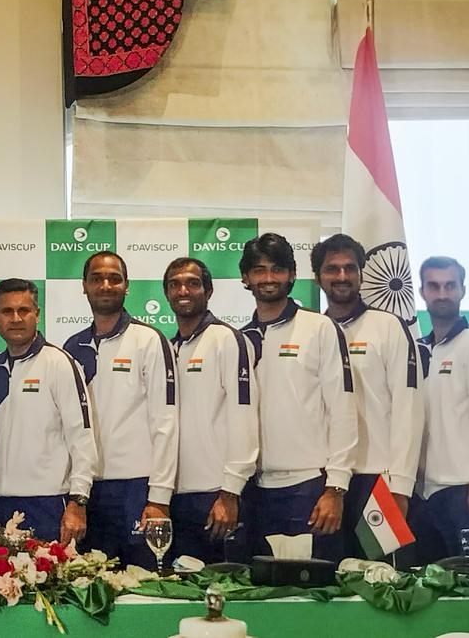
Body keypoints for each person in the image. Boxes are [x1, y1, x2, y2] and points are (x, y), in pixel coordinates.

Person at [238, 233, 356, 562]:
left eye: (277, 269)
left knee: (313, 599)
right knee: (262, 597)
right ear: (245, 278)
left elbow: (342, 409)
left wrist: (335, 488)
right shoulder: (239, 340)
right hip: (255, 492)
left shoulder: (319, 328)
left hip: (309, 489)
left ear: (292, 274)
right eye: (259, 270)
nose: (268, 278)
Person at [0, 279, 96, 544]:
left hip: (52, 504)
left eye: (24, 310)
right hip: (4, 503)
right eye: (7, 311)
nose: (16, 318)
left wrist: (79, 501)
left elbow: (82, 436)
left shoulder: (59, 362)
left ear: (37, 315)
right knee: (6, 585)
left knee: (54, 584)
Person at [62, 252, 177, 568]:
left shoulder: (148, 340)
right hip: (89, 494)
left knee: (146, 589)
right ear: (84, 286)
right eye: (97, 278)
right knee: (92, 590)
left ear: (127, 287)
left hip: (137, 491)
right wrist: (76, 495)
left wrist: (158, 498)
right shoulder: (71, 348)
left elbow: (165, 423)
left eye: (115, 278)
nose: (106, 285)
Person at [311, 235, 423, 559]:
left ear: (361, 274)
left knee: (384, 581)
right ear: (318, 277)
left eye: (350, 268)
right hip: (326, 483)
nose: (342, 276)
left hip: (379, 482)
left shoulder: (388, 327)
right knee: (331, 584)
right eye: (332, 269)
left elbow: (409, 408)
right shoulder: (313, 331)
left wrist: (400, 487)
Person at [162, 257, 259, 565]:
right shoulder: (168, 347)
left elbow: (243, 416)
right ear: (166, 294)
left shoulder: (227, 339)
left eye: (192, 283)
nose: (183, 290)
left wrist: (230, 493)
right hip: (176, 499)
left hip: (217, 497)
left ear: (209, 290)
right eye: (175, 284)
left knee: (226, 598)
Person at [410, 256, 469, 563]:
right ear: (423, 292)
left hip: (467, 496)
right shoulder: (421, 351)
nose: (442, 293)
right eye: (434, 286)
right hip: (426, 497)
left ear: (462, 290)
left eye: (450, 285)